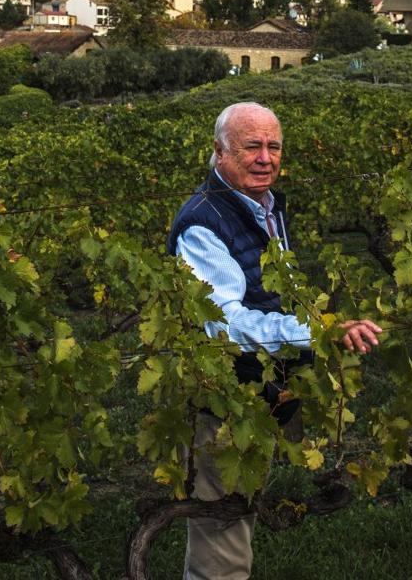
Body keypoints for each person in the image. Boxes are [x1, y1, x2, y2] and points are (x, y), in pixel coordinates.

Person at [167, 101, 382, 580]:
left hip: (260, 386)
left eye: (274, 146)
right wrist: (320, 332)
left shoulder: (261, 203)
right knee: (221, 536)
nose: (265, 157)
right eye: (252, 146)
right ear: (220, 152)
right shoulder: (203, 223)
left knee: (240, 508)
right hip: (224, 396)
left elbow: (273, 293)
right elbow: (225, 324)